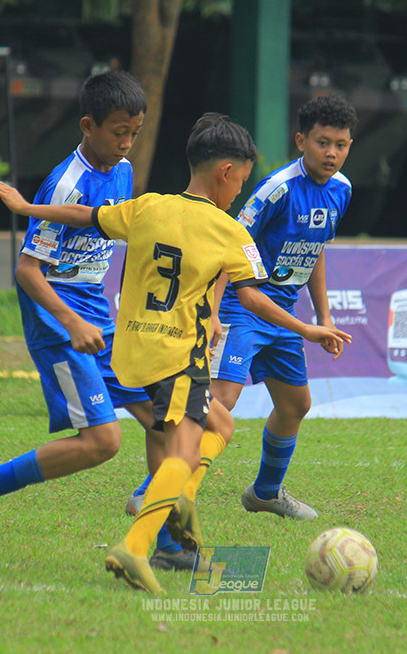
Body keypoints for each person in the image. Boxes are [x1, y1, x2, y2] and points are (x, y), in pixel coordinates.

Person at [0, 112, 352, 594]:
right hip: (176, 355)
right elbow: (256, 298)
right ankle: (139, 542)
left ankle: (178, 527)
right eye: (240, 182)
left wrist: (26, 207)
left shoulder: (147, 207)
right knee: (190, 446)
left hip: (132, 347)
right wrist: (306, 327)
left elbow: (86, 217)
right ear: (226, 173)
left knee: (216, 426)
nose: (240, 191)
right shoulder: (229, 232)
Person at [0, 69, 192, 572]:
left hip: (101, 316)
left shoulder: (121, 172)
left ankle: (163, 541)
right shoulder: (67, 184)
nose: (127, 143)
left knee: (167, 419)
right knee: (103, 442)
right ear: (87, 125)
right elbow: (29, 272)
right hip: (59, 325)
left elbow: (113, 238)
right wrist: (71, 321)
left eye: (135, 133)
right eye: (119, 131)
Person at [125, 95, 357, 521]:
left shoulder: (341, 190)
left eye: (341, 144)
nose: (332, 153)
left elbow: (316, 250)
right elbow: (224, 245)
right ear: (301, 140)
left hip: (283, 313)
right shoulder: (277, 189)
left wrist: (323, 316)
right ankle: (154, 490)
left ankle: (266, 492)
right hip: (242, 306)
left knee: (295, 405)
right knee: (221, 401)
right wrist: (213, 312)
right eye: (323, 142)